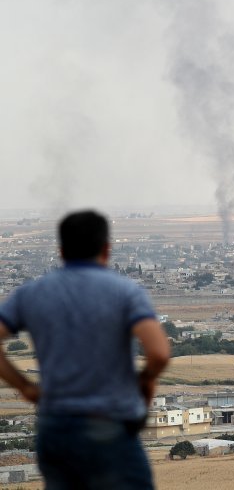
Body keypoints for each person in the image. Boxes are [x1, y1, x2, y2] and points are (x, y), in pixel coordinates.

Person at [0, 210, 170, 489]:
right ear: (106, 249)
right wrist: (144, 380)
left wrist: (24, 386)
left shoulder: (31, 293)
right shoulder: (125, 292)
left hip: (54, 427)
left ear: (62, 250)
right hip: (110, 425)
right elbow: (160, 353)